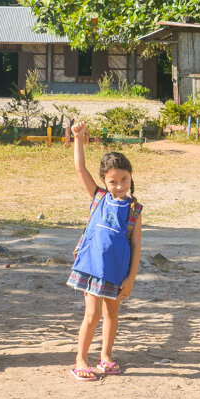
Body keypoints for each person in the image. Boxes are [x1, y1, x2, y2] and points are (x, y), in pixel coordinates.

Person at [66, 120, 143, 381]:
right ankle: (80, 359)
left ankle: (106, 356)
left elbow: (136, 246)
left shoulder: (134, 210)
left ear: (131, 177)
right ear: (104, 182)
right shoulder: (98, 197)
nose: (119, 186)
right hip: (91, 268)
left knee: (112, 313)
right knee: (93, 314)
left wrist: (130, 278)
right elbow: (79, 168)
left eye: (124, 179)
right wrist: (78, 137)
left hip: (117, 273)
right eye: (113, 181)